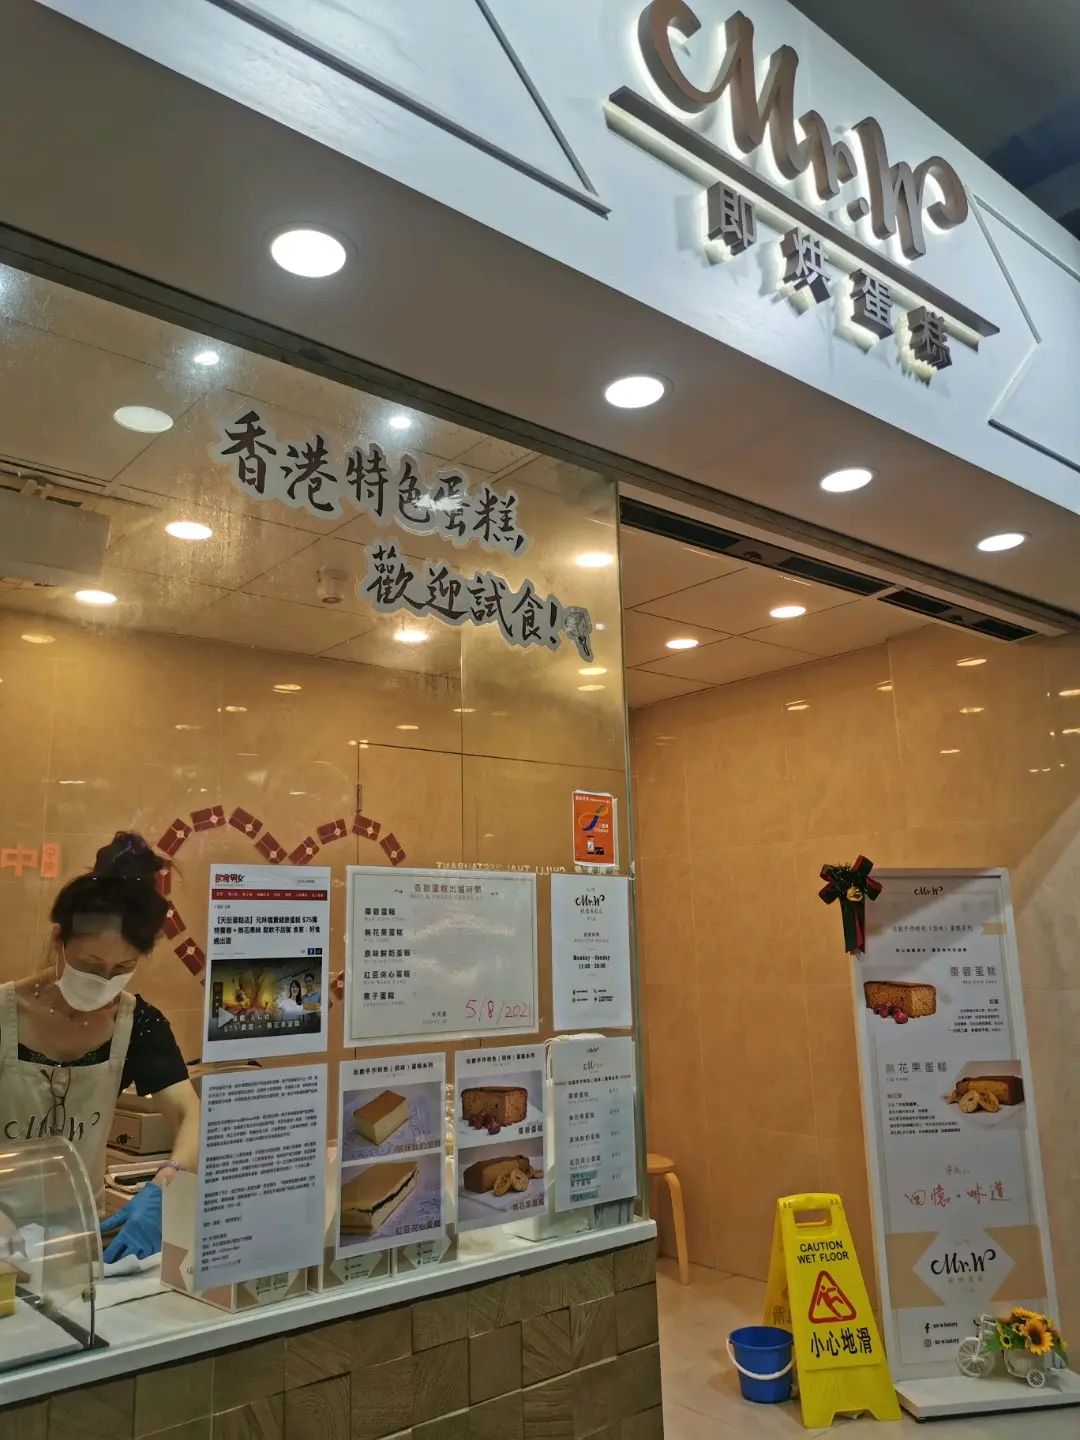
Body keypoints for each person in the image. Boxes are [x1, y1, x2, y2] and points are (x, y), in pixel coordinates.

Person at [0, 832, 199, 1264]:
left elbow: (189, 1115)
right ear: (59, 940)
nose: (104, 981)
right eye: (91, 965)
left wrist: (168, 1182)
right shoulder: (4, 1014)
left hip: (78, 1242)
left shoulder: (136, 1022)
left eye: (123, 967)